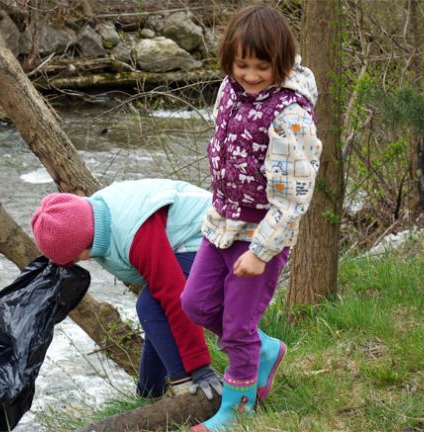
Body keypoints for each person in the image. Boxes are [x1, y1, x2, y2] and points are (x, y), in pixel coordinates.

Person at [180, 4, 322, 431]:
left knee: (239, 325)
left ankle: (237, 408)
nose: (251, 75)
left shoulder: (289, 114)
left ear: (280, 63)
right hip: (221, 221)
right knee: (196, 303)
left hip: (262, 231)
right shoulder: (229, 89)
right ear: (230, 60)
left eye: (262, 67)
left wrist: (262, 251)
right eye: (242, 65)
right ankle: (264, 350)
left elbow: (295, 195)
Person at [30, 178, 222, 401]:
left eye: (72, 259)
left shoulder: (134, 232)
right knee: (155, 309)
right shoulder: (88, 218)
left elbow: (175, 296)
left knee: (150, 306)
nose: (74, 263)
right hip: (186, 238)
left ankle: (189, 389)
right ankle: (149, 394)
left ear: (80, 245)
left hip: (215, 234)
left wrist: (199, 366)